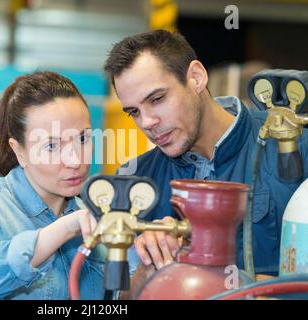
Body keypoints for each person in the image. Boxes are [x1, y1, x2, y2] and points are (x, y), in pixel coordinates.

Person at [103, 30, 308, 277]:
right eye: (133, 112)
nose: (146, 122)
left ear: (196, 78)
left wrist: (244, 285)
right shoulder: (133, 182)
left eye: (157, 99)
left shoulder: (296, 148)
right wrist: (148, 266)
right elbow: (119, 294)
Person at [0, 71, 106, 300]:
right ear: (19, 151)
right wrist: (59, 232)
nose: (75, 160)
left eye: (83, 139)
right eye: (52, 146)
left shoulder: (97, 214)